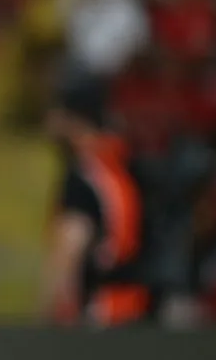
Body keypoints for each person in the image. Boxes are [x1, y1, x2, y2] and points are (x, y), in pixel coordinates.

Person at [43, 74, 151, 326]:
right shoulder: (125, 164)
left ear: (71, 117)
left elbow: (67, 256)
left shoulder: (84, 177)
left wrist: (48, 321)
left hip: (99, 317)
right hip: (137, 311)